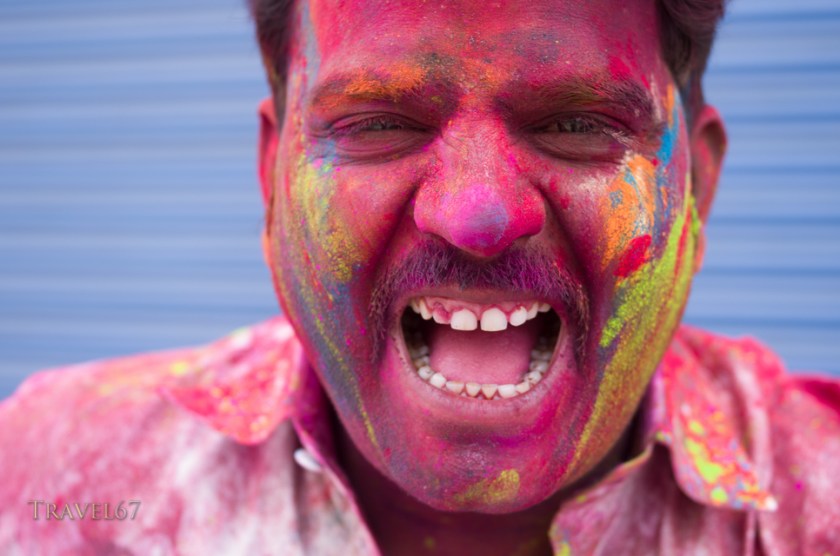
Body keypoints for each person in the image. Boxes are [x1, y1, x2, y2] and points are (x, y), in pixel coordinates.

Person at [1, 0, 838, 554]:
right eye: (379, 124)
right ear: (271, 176)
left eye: (578, 124)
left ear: (697, 183)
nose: (476, 214)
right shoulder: (45, 484)